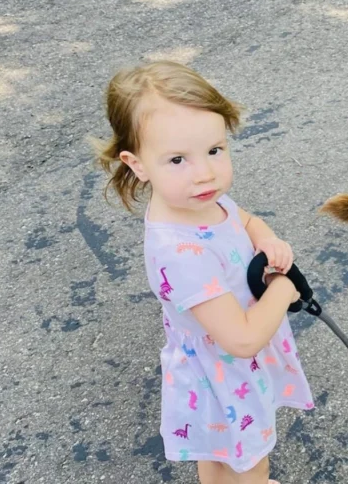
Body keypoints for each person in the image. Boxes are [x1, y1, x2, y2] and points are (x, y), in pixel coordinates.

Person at [94, 60, 313, 483]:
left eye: (214, 150)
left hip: (220, 370)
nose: (205, 172)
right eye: (178, 159)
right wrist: (284, 289)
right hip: (225, 370)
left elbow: (243, 220)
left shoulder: (202, 202)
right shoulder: (180, 252)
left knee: (219, 450)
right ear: (136, 163)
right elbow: (243, 338)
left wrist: (266, 240)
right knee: (250, 458)